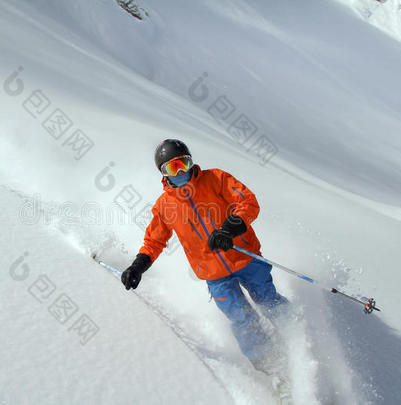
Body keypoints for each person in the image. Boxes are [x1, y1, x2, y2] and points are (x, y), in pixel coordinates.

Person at [121, 139, 288, 363]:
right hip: (214, 275)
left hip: (245, 257)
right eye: (172, 167)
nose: (180, 171)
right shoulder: (164, 206)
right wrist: (137, 266)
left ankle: (297, 337)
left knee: (268, 300)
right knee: (242, 319)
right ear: (163, 174)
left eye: (183, 163)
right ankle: (271, 364)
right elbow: (154, 241)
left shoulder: (216, 179)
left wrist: (230, 227)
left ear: (191, 162)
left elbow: (248, 201)